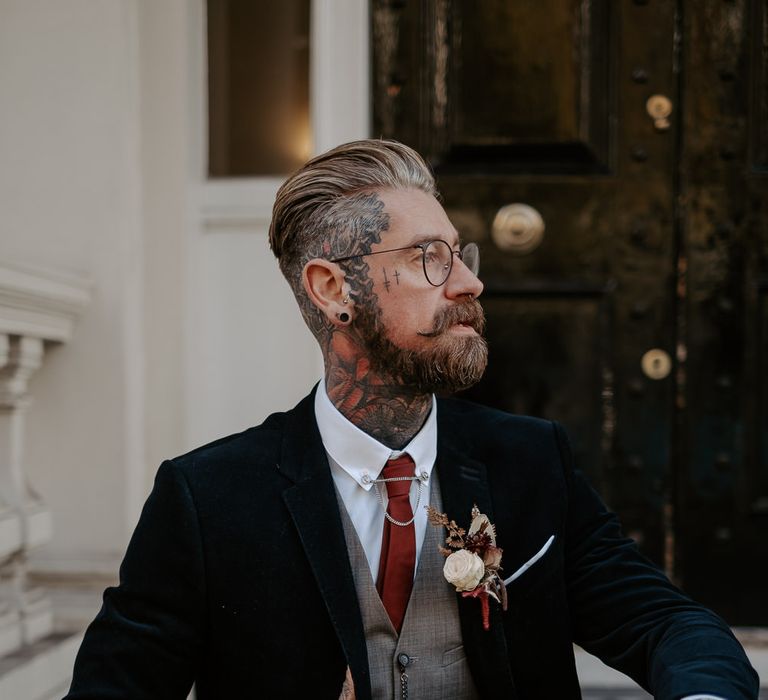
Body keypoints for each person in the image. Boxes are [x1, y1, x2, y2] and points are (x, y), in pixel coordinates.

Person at [65, 139, 759, 699]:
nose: (468, 282)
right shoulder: (206, 499)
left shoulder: (531, 460)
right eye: (430, 258)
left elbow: (665, 624)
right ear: (333, 288)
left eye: (459, 254)